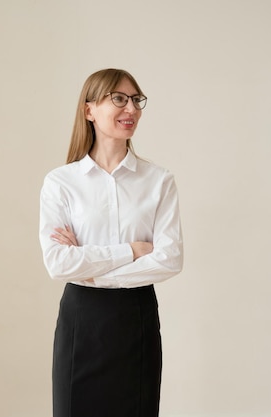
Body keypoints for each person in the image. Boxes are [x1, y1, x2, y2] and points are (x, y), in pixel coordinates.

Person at [39, 68, 183, 417]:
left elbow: (169, 259)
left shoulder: (158, 181)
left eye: (136, 100)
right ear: (89, 110)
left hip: (136, 319)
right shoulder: (61, 182)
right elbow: (58, 263)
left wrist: (90, 268)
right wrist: (130, 251)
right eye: (118, 99)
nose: (130, 109)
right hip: (81, 323)